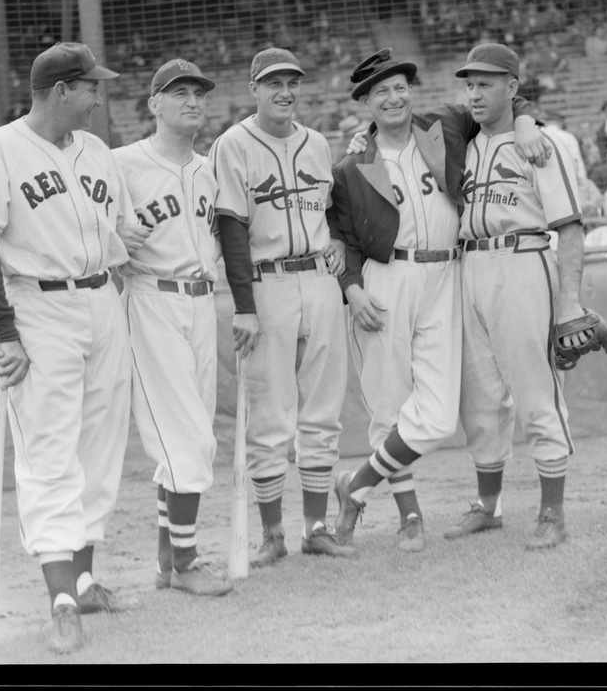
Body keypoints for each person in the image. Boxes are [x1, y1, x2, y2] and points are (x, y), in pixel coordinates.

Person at [0, 41, 150, 655]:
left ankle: (85, 581)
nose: (98, 97)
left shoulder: (95, 152)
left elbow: (113, 229)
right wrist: (5, 331)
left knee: (102, 443)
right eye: (90, 87)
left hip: (100, 300)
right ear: (61, 91)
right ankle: (60, 600)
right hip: (38, 306)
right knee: (50, 454)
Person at [330, 49, 548, 551]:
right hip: (387, 280)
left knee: (435, 415)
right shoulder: (353, 164)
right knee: (389, 405)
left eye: (401, 85)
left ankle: (356, 484)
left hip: (446, 275)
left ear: (412, 91)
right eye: (379, 91)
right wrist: (352, 287)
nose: (393, 96)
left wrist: (529, 122)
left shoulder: (445, 125)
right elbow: (343, 235)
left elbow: (503, 101)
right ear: (365, 101)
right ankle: (410, 517)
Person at [441, 43, 592, 551]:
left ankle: (552, 512)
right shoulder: (464, 141)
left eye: (486, 83)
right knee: (479, 396)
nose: (475, 92)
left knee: (535, 390)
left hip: (524, 260)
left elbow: (570, 229)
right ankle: (489, 507)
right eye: (470, 84)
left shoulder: (539, 144)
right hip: (470, 265)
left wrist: (569, 300)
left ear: (512, 87)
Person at [209, 46, 355, 567]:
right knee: (270, 414)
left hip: (319, 279)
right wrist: (243, 305)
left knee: (323, 409)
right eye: (273, 83)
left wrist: (338, 239)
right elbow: (230, 227)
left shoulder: (316, 142)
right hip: (266, 284)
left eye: (292, 82)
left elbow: (332, 207)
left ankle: (316, 527)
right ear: (254, 89)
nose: (285, 91)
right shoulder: (231, 145)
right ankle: (273, 534)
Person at [112, 59, 233, 597]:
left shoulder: (210, 168)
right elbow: (86, 222)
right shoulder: (121, 164)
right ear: (153, 104)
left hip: (203, 303)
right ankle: (186, 561)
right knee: (188, 438)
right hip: (152, 299)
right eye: (178, 92)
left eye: (198, 93)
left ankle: (167, 561)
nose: (191, 101)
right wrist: (115, 235)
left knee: (186, 435)